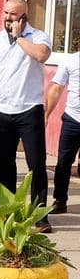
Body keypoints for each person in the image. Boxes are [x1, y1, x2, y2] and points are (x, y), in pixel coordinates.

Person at [0, 0, 52, 232]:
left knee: (36, 164)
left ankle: (40, 216)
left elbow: (42, 55)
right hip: (2, 111)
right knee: (3, 164)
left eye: (13, 14)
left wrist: (19, 38)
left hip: (29, 110)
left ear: (24, 16)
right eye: (6, 13)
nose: (7, 17)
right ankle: (8, 212)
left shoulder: (37, 36)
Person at [47, 41, 80, 215]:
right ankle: (60, 200)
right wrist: (46, 115)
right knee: (64, 161)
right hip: (72, 119)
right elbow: (56, 88)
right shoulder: (70, 61)